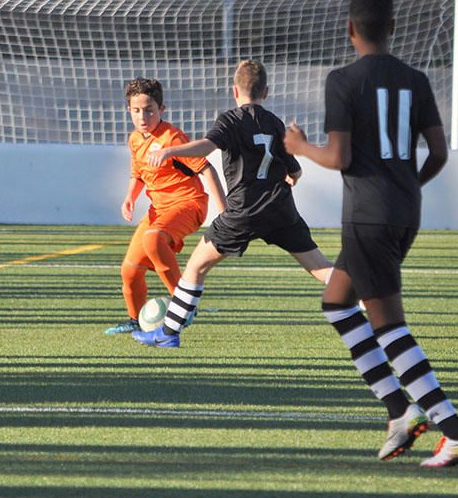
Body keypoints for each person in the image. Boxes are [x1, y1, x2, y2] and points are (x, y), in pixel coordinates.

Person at [283, 0, 458, 468]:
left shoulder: (343, 80)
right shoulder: (415, 79)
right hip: (404, 209)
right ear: (392, 29)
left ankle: (455, 430)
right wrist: (405, 185)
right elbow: (438, 153)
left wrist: (298, 146)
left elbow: (338, 156)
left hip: (367, 216)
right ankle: (400, 411)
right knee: (336, 303)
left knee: (388, 325)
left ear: (350, 29)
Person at [131, 59, 333, 348]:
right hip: (280, 209)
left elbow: (206, 146)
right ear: (267, 92)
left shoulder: (231, 119)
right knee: (319, 267)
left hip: (243, 211)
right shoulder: (274, 123)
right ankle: (368, 297)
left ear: (234, 91)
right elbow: (294, 169)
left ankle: (167, 333)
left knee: (196, 268)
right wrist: (294, 178)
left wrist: (170, 150)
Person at [106, 78, 226, 335]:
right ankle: (136, 320)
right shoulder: (135, 139)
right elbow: (138, 173)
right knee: (129, 271)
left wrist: (224, 211)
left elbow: (206, 168)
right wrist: (130, 197)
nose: (143, 116)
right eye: (136, 110)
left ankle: (184, 304)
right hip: (158, 210)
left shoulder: (172, 138)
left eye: (149, 110)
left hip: (188, 203)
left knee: (153, 239)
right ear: (129, 111)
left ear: (162, 109)